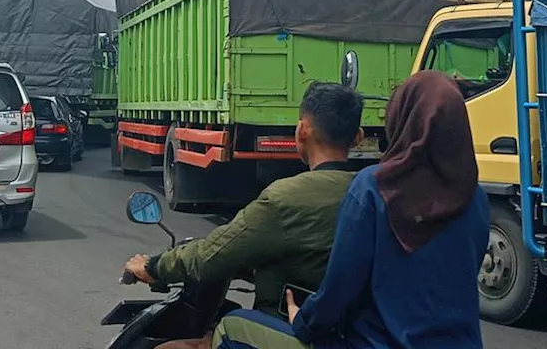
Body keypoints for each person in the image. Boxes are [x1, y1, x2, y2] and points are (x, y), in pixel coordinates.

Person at [209, 71, 488, 349]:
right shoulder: (474, 196)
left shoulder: (373, 188)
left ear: (401, 121)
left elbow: (339, 289)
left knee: (232, 328)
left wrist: (303, 321)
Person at [122, 82, 366, 349]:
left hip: (298, 331)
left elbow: (212, 254)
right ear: (358, 137)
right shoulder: (373, 193)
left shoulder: (287, 198)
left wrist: (153, 268)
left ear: (302, 130)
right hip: (353, 331)